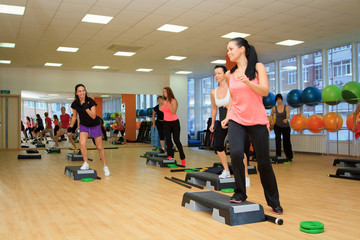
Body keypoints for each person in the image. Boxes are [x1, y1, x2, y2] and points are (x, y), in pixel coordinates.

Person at [221, 37, 282, 214]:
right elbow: (233, 97)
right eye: (227, 49)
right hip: (237, 119)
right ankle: (240, 192)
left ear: (242, 49)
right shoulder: (229, 74)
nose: (228, 52)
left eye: (231, 49)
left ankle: (274, 201)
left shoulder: (257, 68)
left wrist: (247, 81)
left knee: (263, 162)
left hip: (257, 120)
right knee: (237, 153)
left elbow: (265, 91)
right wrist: (228, 116)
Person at [210, 65, 250, 186]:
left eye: (219, 73)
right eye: (215, 74)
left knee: (237, 150)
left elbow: (240, 101)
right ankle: (226, 170)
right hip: (221, 121)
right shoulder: (213, 92)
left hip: (234, 120)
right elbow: (214, 108)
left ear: (224, 74)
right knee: (218, 146)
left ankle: (246, 175)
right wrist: (212, 124)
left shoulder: (232, 88)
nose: (217, 76)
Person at [69, 84, 110, 176]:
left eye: (83, 90)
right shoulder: (75, 104)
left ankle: (105, 166)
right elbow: (74, 116)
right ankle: (86, 163)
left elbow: (93, 116)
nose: (82, 92)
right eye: (80, 91)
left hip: (95, 125)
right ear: (76, 93)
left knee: (99, 147)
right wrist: (70, 127)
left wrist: (85, 107)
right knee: (82, 143)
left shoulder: (90, 101)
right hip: (84, 126)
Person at [161, 87, 186, 166]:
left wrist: (167, 104)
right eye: (163, 92)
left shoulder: (173, 101)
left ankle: (182, 158)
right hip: (166, 122)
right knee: (168, 140)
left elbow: (173, 111)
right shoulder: (164, 101)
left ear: (169, 92)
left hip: (174, 122)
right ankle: (170, 156)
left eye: (165, 91)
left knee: (176, 140)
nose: (164, 93)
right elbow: (162, 110)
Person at [270, 94, 293, 161]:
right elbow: (271, 115)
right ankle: (278, 155)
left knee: (286, 141)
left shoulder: (286, 107)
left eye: (279, 99)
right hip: (277, 126)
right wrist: (271, 121)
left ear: (282, 99)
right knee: (277, 140)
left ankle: (289, 156)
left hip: (285, 127)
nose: (278, 101)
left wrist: (286, 119)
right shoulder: (274, 108)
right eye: (277, 99)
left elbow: (288, 115)